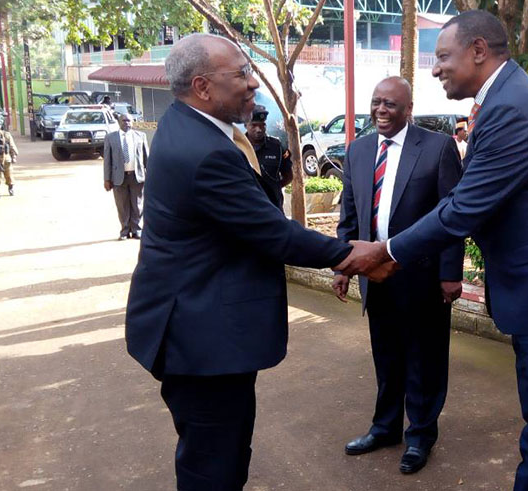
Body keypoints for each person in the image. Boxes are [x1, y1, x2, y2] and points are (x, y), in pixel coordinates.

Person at [337, 10, 528, 491]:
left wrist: (385, 250)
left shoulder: (511, 108)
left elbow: (463, 209)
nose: (435, 70)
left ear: (478, 51)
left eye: (443, 57)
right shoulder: (504, 101)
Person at [124, 33, 358, 489]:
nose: (254, 84)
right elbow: (272, 233)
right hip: (201, 341)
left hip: (194, 327)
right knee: (215, 466)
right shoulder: (207, 152)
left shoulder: (187, 124)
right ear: (203, 86)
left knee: (218, 454)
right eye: (243, 74)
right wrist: (351, 255)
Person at [333, 77, 463, 474]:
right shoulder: (358, 151)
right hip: (375, 277)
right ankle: (386, 427)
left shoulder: (438, 148)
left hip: (421, 277)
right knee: (386, 356)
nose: (381, 110)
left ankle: (420, 435)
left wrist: (450, 274)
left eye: (390, 104)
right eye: (376, 103)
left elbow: (452, 215)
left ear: (408, 108)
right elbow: (350, 216)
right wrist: (342, 264)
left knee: (424, 359)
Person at [103, 114, 148, 240]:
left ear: (132, 122)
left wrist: (151, 175)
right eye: (124, 120)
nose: (126, 123)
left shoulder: (140, 136)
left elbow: (146, 158)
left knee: (137, 205)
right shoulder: (111, 138)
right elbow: (107, 160)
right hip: (118, 177)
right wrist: (107, 179)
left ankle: (136, 230)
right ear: (119, 122)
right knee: (122, 206)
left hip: (137, 176)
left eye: (129, 120)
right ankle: (124, 231)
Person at [246, 105, 292, 210]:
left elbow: (288, 175)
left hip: (273, 206)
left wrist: (273, 189)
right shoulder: (237, 147)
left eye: (262, 125)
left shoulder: (277, 146)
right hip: (247, 207)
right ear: (245, 125)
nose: (258, 130)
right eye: (254, 125)